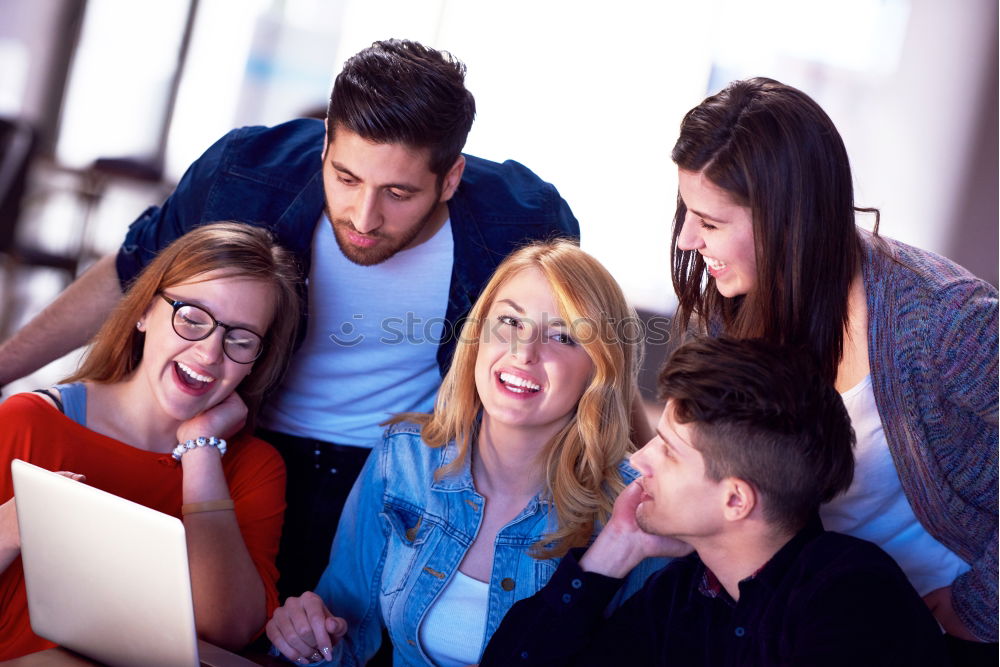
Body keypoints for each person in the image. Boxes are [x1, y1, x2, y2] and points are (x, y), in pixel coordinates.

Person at [0, 39, 616, 599]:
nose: (364, 216)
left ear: (451, 176)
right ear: (324, 142)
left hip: (397, 481)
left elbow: (583, 352)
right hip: (244, 446)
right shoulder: (247, 172)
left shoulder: (520, 219)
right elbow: (134, 273)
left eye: (399, 194)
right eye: (345, 178)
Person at [665, 77, 998, 659]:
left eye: (711, 223)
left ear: (785, 220)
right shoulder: (734, 304)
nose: (690, 239)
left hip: (942, 625)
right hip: (809, 614)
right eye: (687, 214)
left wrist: (983, 604)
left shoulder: (945, 321)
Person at [265, 240, 670, 666]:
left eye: (563, 336)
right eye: (510, 321)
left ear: (599, 370)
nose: (524, 352)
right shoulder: (404, 457)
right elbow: (341, 639)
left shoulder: (631, 509)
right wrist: (305, 639)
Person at [481, 336, 952, 666]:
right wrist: (616, 548)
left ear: (736, 500)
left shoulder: (850, 598)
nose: (640, 459)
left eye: (667, 449)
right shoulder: (686, 592)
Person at [0, 222, 300, 659]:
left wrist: (200, 449)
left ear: (257, 360)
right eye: (193, 319)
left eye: (240, 339)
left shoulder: (254, 466)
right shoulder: (27, 422)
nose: (209, 355)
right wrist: (9, 529)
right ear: (143, 311)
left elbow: (228, 628)